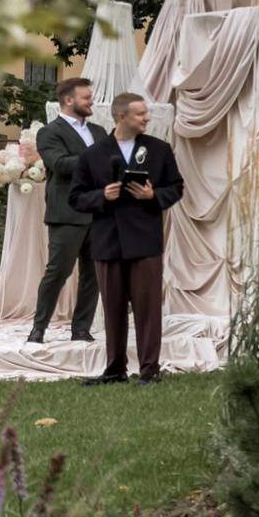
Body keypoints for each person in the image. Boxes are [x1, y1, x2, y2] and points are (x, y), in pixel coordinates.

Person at [69, 92, 184, 385]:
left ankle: (149, 371)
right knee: (113, 310)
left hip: (145, 241)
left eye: (146, 113)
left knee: (147, 310)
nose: (147, 118)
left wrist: (153, 195)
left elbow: (176, 187)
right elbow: (76, 198)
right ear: (122, 117)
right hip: (107, 242)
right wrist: (101, 196)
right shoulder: (92, 155)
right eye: (141, 114)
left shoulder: (159, 150)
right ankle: (115, 369)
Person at [27, 76, 106, 344]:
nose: (91, 101)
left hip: (99, 211)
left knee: (93, 274)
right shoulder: (49, 132)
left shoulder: (99, 132)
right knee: (58, 272)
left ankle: (81, 329)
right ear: (69, 100)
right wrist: (97, 155)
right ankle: (39, 328)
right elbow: (60, 165)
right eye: (86, 97)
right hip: (67, 213)